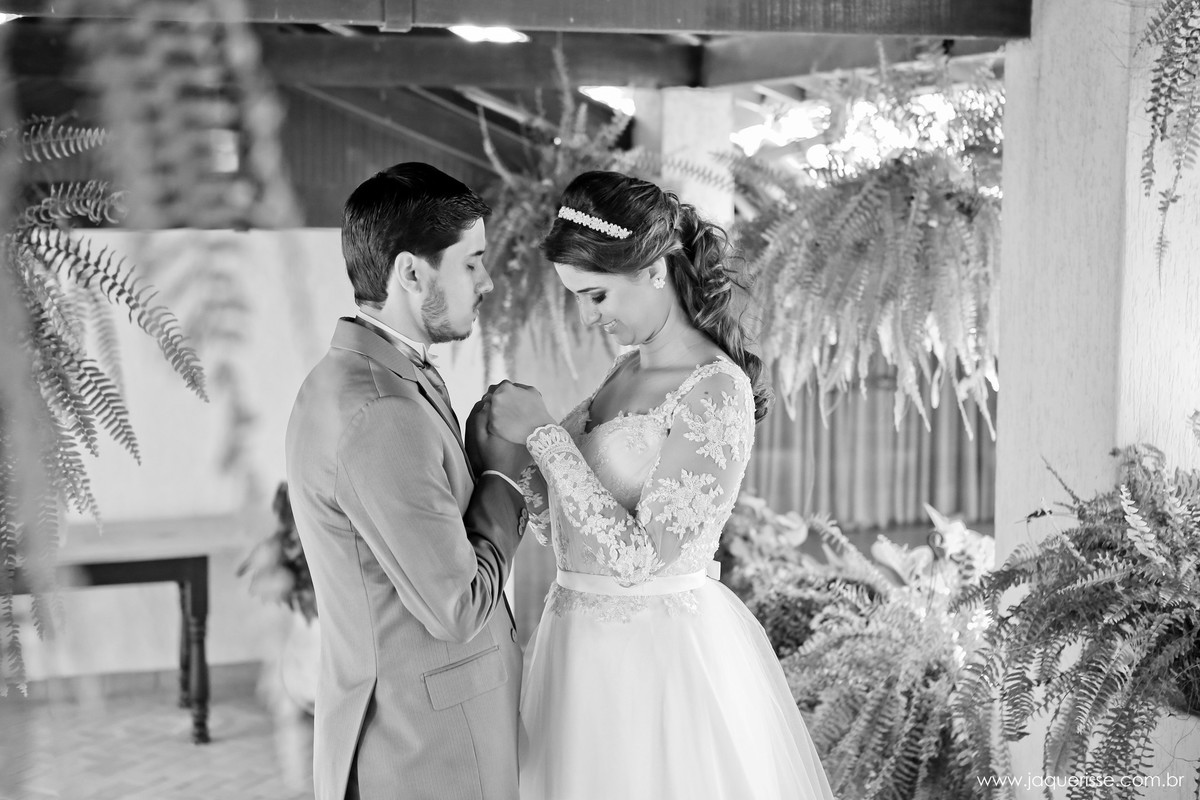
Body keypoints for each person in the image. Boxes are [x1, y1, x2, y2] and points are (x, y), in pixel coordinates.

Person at [485, 171, 836, 800]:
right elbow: (563, 524)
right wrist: (506, 457)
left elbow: (645, 559)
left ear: (653, 269)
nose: (590, 317)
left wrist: (544, 436)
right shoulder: (625, 370)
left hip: (653, 660)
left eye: (596, 296)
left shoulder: (714, 388)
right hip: (574, 648)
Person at [285, 163, 531, 800]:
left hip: (419, 729)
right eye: (472, 262)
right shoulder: (381, 411)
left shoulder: (368, 377)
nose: (488, 281)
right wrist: (505, 473)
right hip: (429, 751)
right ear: (411, 272)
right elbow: (457, 606)